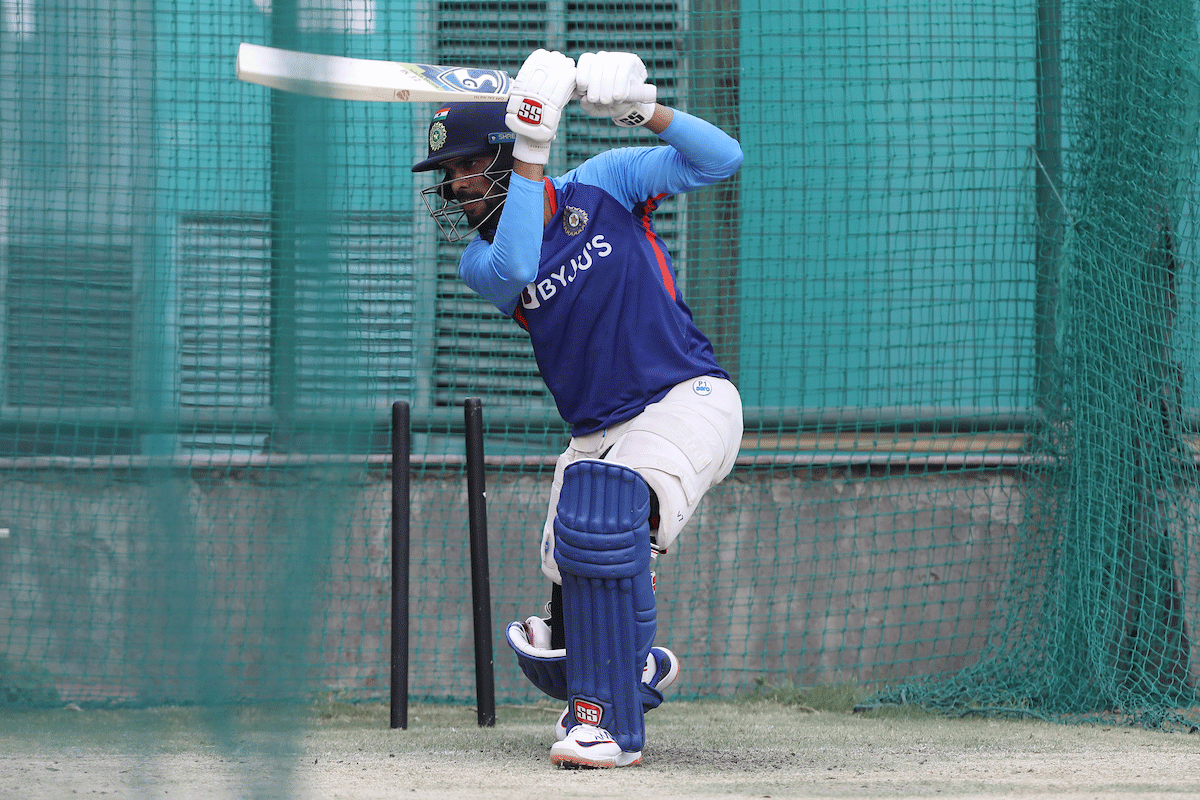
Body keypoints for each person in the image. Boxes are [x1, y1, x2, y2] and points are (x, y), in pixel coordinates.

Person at [412, 49, 744, 769]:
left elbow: (723, 160)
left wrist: (643, 109)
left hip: (686, 400)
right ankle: (626, 672)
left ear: (503, 152)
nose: (459, 187)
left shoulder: (605, 184)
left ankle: (608, 722)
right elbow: (520, 264)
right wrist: (532, 144)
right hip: (595, 439)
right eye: (450, 176)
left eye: (470, 166)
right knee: (566, 609)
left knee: (607, 518)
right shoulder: (483, 262)